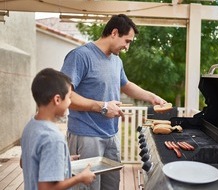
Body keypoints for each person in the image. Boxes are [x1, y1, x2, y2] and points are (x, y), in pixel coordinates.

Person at [61, 14, 167, 190]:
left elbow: (125, 85)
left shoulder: (116, 61)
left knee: (112, 186)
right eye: (127, 41)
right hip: (86, 136)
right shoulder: (80, 56)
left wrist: (152, 97)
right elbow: (65, 95)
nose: (127, 47)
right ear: (114, 32)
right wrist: (102, 107)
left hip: (111, 136)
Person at [20, 68, 96, 190]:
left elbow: (24, 162)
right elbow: (46, 188)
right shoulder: (53, 138)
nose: (70, 102)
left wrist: (62, 159)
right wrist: (80, 178)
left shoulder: (30, 126)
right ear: (57, 99)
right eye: (69, 97)